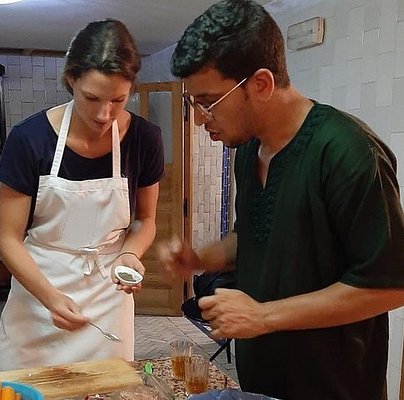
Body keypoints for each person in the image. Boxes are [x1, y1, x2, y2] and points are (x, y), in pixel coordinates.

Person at [157, 1, 404, 399]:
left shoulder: (347, 151)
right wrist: (200, 258)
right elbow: (256, 236)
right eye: (194, 103)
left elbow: (389, 286)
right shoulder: (248, 151)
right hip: (264, 381)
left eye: (208, 101)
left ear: (261, 84)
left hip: (334, 386)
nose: (201, 118)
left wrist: (263, 315)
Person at [0, 19, 164, 371]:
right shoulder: (29, 139)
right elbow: (8, 238)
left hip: (107, 292)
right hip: (40, 289)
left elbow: (146, 220)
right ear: (71, 79)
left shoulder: (145, 138)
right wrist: (50, 297)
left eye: (118, 100)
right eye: (92, 98)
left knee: (108, 389)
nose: (104, 115)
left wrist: (130, 254)